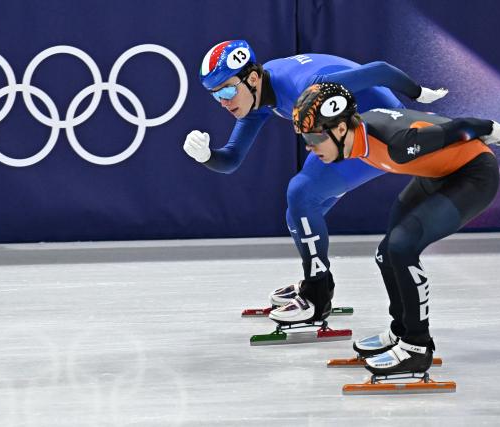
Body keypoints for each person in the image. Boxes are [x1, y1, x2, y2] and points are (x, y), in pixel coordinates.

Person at [184, 40, 448, 324]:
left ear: (251, 78)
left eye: (226, 89)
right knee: (299, 211)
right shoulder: (258, 93)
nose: (223, 102)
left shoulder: (304, 86)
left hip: (383, 131)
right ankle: (316, 283)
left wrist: (418, 93)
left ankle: (317, 295)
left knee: (301, 194)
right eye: (215, 95)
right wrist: (205, 156)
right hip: (344, 132)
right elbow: (232, 159)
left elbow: (380, 71)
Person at [291, 82, 500, 374]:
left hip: (473, 175)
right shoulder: (357, 139)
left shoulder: (395, 143)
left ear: (341, 128)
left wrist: (490, 127)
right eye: (304, 137)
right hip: (437, 174)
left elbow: (454, 128)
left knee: (402, 245)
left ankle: (417, 347)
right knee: (386, 253)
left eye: (314, 136)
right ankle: (401, 331)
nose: (309, 146)